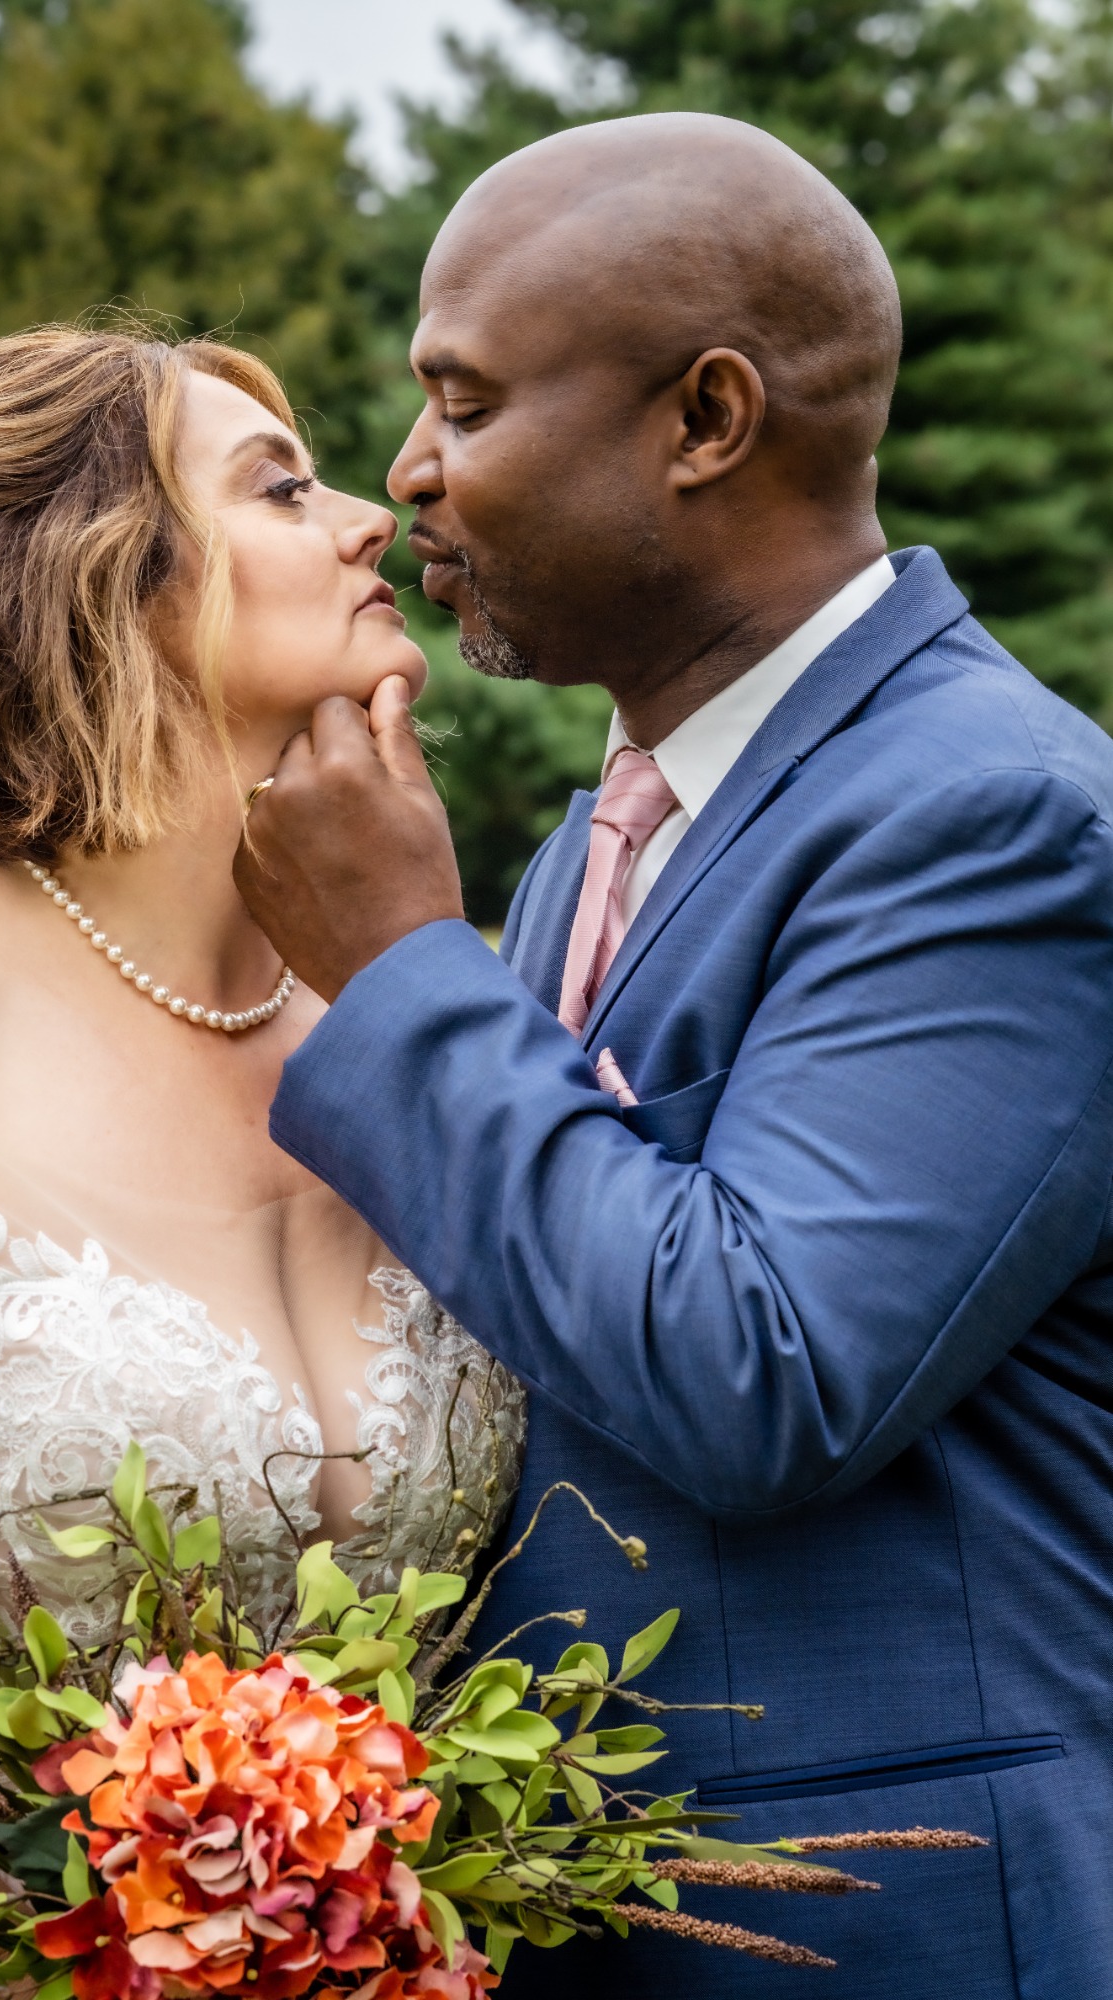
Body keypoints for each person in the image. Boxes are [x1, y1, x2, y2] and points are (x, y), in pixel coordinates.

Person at [234, 113, 1113, 1997]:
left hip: (878, 1928)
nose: (407, 475)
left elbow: (759, 1372)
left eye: (465, 404)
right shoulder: (606, 836)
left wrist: (398, 970)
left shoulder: (997, 820)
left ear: (704, 420)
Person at [0, 325, 526, 1992]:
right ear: (99, 578)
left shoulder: (400, 1023)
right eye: (282, 489)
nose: (371, 518)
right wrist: (73, 1944)